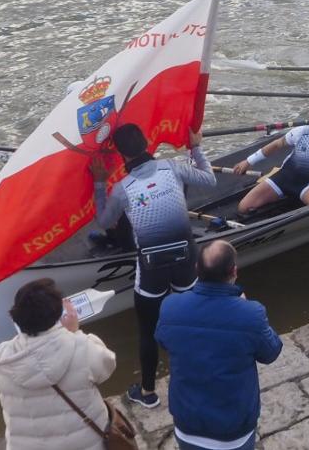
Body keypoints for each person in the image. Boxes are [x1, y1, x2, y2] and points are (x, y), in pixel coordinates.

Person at [91, 123, 215, 408]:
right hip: (186, 257)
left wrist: (99, 182)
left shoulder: (122, 189)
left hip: (151, 265)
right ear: (148, 142)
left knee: (148, 330)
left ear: (121, 155)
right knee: (192, 321)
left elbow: (104, 222)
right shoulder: (172, 167)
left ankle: (147, 393)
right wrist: (196, 147)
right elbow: (209, 179)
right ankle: (198, 377)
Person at [157, 241, 283, 450]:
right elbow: (271, 352)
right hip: (234, 430)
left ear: (197, 269)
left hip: (187, 423)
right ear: (234, 271)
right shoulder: (251, 314)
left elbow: (163, 340)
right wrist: (245, 306)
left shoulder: (170, 307)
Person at [0, 278, 117, 450]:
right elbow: (108, 365)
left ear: (17, 317)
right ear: (58, 314)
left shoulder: (1, 358)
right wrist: (75, 332)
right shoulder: (82, 347)